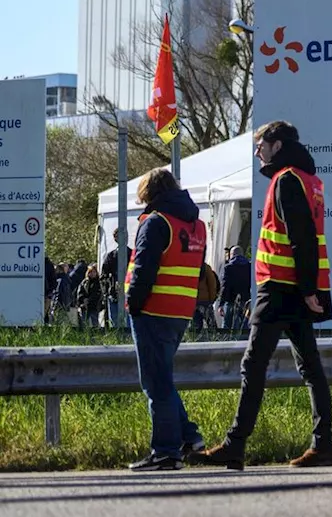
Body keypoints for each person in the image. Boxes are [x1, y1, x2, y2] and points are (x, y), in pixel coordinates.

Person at [192, 121, 332, 470]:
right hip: (295, 290)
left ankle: (235, 445)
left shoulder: (287, 180)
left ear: (278, 144)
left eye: (261, 144)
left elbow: (301, 238)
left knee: (254, 365)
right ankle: (322, 446)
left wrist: (307, 289)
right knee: (310, 368)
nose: (258, 151)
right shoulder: (308, 180)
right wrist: (310, 290)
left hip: (281, 289)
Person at [123, 167, 208, 470]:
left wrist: (133, 303)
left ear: (149, 193)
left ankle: (166, 452)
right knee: (163, 380)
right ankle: (187, 436)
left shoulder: (156, 222)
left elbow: (144, 268)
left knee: (156, 385)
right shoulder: (197, 225)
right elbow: (197, 271)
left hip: (152, 310)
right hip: (181, 311)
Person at [217, 246, 252, 331]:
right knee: (244, 328)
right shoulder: (250, 267)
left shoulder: (228, 267)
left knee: (227, 328)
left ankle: (226, 344)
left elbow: (225, 286)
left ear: (232, 255)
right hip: (246, 301)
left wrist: (221, 304)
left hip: (230, 301)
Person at [193, 261, 220, 331]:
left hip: (192, 301)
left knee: (195, 327)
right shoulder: (206, 268)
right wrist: (211, 300)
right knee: (212, 326)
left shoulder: (188, 268)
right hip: (205, 301)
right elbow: (212, 285)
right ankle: (214, 340)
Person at [76, 264, 104, 329]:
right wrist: (83, 299)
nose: (92, 274)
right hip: (84, 306)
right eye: (90, 272)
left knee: (95, 324)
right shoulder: (84, 282)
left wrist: (89, 300)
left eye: (94, 272)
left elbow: (98, 294)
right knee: (84, 324)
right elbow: (80, 292)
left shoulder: (98, 283)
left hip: (94, 306)